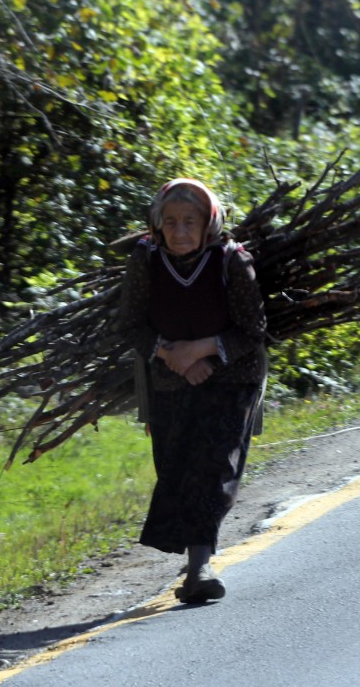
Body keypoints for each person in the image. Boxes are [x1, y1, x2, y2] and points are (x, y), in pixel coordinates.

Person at [117, 178, 268, 603]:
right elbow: (130, 325)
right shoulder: (145, 260)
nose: (180, 231)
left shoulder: (232, 261)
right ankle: (194, 557)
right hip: (167, 378)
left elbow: (253, 330)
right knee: (176, 467)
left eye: (190, 222)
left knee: (213, 465)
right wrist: (172, 356)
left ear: (209, 225)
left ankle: (199, 567)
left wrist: (201, 351)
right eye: (171, 222)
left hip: (233, 377)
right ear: (157, 225)